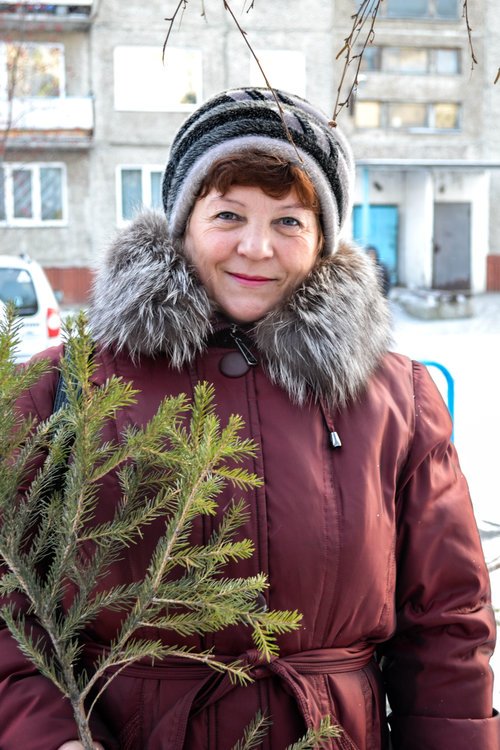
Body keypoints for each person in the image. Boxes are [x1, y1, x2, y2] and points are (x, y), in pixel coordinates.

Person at [0, 87, 498, 750]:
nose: (257, 247)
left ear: (322, 241)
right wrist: (50, 738)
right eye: (229, 214)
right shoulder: (67, 387)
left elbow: (446, 622)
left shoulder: (395, 400)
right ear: (183, 223)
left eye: (289, 221)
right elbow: (9, 604)